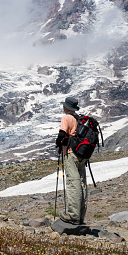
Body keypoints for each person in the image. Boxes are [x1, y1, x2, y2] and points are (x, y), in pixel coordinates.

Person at [55, 96, 87, 225]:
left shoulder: (66, 118)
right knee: (82, 184)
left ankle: (73, 215)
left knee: (73, 184)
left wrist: (58, 143)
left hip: (70, 153)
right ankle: (80, 216)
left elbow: (62, 135)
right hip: (82, 154)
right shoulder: (79, 119)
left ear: (66, 107)